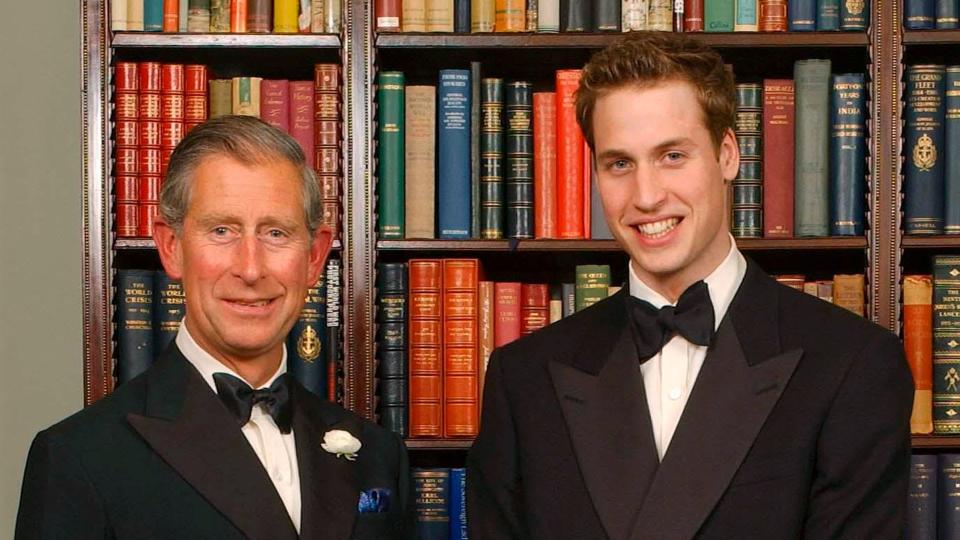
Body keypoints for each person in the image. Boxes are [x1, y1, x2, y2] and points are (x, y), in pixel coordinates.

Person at [467, 32, 912, 539]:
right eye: (620, 164)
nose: (647, 196)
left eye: (672, 156)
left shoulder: (852, 364)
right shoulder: (522, 378)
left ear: (727, 155)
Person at [15, 115, 414, 540]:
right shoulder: (79, 457)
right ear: (172, 248)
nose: (250, 268)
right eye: (221, 231)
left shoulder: (377, 453)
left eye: (276, 233)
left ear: (314, 257)